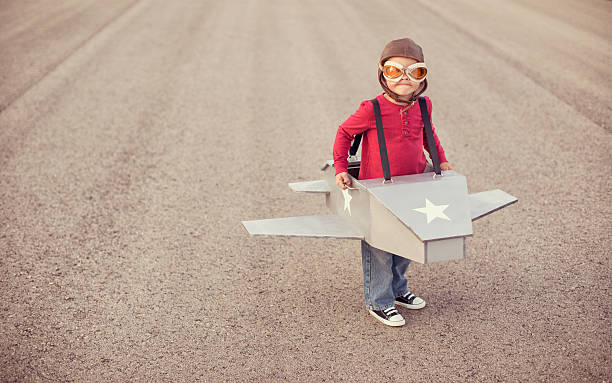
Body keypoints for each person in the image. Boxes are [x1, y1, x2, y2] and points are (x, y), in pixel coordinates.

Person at [332, 38, 453, 327]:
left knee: (406, 242)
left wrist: (441, 159)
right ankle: (379, 300)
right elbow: (344, 132)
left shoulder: (424, 106)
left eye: (415, 72)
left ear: (423, 76)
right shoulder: (372, 108)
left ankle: (398, 290)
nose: (405, 79)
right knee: (380, 247)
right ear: (383, 73)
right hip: (379, 191)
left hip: (413, 186)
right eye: (395, 71)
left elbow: (429, 135)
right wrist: (340, 167)